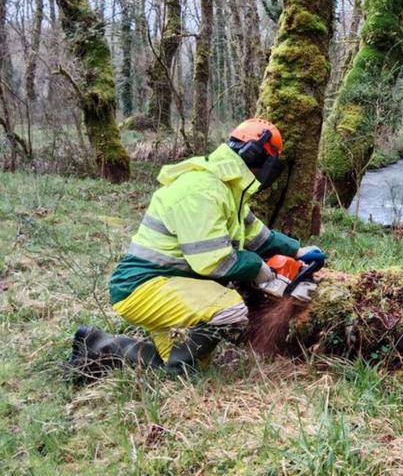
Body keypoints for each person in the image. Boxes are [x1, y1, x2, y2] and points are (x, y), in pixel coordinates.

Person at [68, 118, 326, 378]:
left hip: (171, 284)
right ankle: (179, 369)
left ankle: (97, 345)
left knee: (173, 363)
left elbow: (258, 236)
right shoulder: (202, 191)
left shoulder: (229, 189)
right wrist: (261, 270)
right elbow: (214, 262)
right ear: (256, 156)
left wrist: (297, 251)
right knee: (229, 309)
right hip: (145, 287)